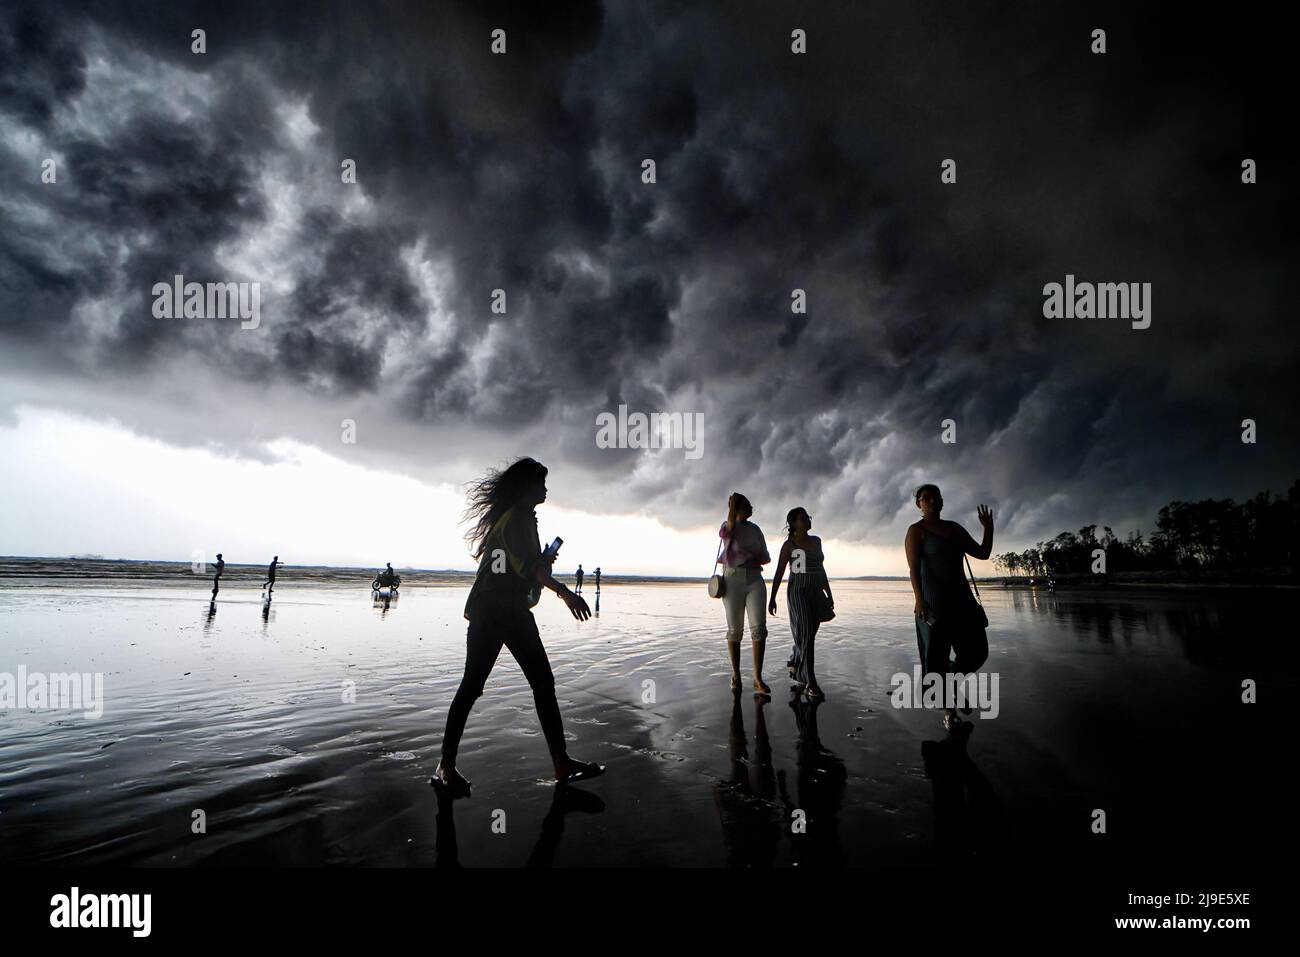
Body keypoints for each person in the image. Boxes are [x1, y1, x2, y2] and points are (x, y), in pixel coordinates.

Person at [434, 457, 605, 796]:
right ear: (526, 487)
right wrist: (566, 593)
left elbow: (527, 569)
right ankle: (446, 765)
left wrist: (542, 562)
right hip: (492, 610)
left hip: (510, 609)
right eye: (540, 483)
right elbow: (530, 571)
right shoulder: (515, 519)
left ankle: (561, 762)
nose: (545, 489)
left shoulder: (524, 519)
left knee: (542, 682)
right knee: (474, 685)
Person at [904, 485, 994, 730]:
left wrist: (988, 528)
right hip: (933, 605)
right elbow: (913, 568)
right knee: (937, 659)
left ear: (942, 502)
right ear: (918, 504)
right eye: (926, 498)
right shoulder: (916, 531)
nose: (932, 501)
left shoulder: (954, 529)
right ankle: (949, 713)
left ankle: (951, 682)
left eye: (936, 497)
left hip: (962, 602)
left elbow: (983, 553)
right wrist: (919, 599)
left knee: (977, 652)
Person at [768, 507, 832, 699]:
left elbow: (821, 569)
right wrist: (772, 598)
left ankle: (795, 660)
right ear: (793, 523)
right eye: (803, 517)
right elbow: (780, 572)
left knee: (809, 634)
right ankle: (810, 680)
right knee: (806, 635)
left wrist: (829, 593)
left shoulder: (816, 541)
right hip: (798, 592)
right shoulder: (790, 545)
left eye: (807, 516)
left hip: (815, 591)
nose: (807, 519)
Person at [718, 492, 772, 695]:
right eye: (747, 505)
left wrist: (753, 555)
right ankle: (736, 674)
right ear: (737, 508)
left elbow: (765, 557)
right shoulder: (728, 526)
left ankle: (757, 678)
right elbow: (729, 528)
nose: (751, 508)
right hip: (732, 579)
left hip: (754, 578)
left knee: (759, 628)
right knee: (735, 630)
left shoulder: (756, 529)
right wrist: (732, 505)